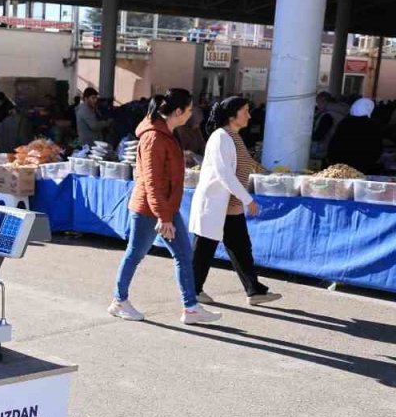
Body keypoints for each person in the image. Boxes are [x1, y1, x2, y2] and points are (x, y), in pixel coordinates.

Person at [107, 89, 220, 325]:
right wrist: (164, 216)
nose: (191, 115)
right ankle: (119, 301)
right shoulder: (154, 138)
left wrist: (166, 213)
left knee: (183, 254)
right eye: (189, 110)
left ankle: (191, 308)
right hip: (149, 209)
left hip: (164, 208)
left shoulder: (167, 133)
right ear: (178, 112)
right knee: (135, 254)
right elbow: (152, 180)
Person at [190, 97, 280, 307]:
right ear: (232, 115)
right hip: (216, 203)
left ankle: (254, 290)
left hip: (230, 205)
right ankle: (192, 290)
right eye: (245, 111)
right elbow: (225, 174)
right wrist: (248, 199)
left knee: (240, 247)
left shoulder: (233, 136)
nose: (249, 115)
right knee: (204, 248)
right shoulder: (220, 137)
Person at [325, 98, 385, 175]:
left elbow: (334, 144)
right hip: (362, 166)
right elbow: (377, 148)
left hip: (340, 165)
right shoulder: (372, 125)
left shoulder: (345, 122)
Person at [310, 91, 347, 160]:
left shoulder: (328, 115)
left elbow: (318, 136)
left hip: (324, 150)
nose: (317, 105)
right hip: (335, 147)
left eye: (318, 103)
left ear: (324, 101)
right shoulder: (339, 111)